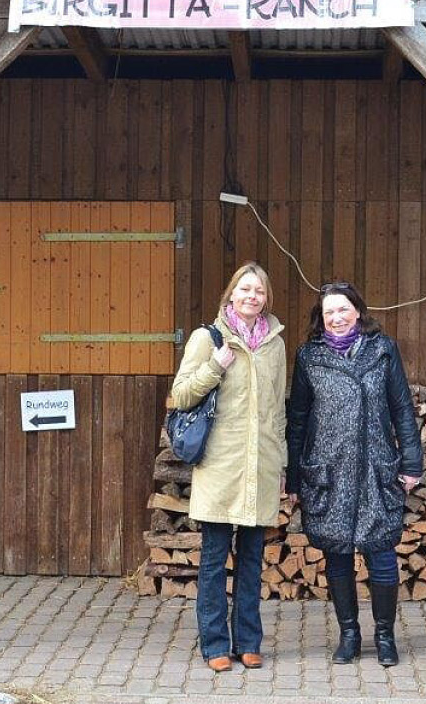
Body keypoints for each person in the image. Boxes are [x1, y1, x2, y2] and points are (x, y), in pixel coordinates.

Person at [286, 281, 423, 667]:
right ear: (321, 318)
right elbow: (297, 419)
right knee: (337, 556)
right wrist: (295, 476)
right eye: (329, 312)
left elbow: (402, 409)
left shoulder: (383, 351)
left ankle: (384, 636)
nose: (337, 317)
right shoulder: (308, 357)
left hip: (375, 469)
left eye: (343, 309)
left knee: (381, 554)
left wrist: (411, 462)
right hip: (328, 472)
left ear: (358, 312)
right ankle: (349, 633)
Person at [169, 261, 287, 673]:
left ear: (266, 298)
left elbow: (278, 410)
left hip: (262, 465)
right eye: (245, 289)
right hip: (222, 467)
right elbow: (181, 395)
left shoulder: (274, 342)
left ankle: (249, 641)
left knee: (253, 560)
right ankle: (215, 643)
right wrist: (215, 366)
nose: (253, 297)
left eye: (260, 291)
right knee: (215, 560)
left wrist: (282, 460)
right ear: (231, 294)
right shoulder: (209, 338)